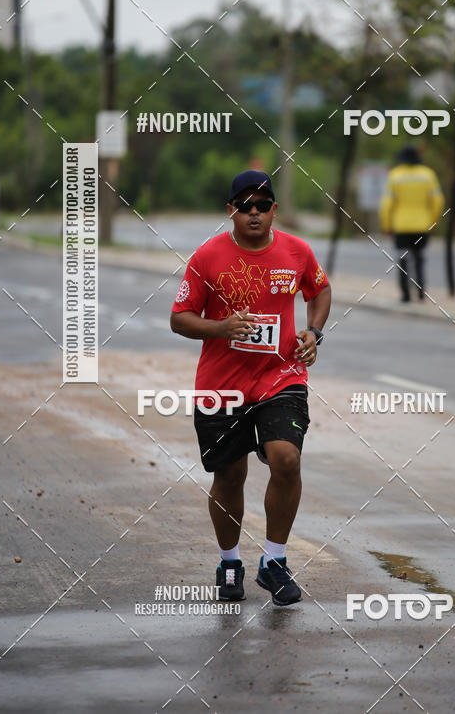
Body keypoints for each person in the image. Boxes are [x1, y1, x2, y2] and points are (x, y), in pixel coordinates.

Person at [170, 170, 331, 606]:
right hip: (222, 384)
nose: (254, 212)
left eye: (263, 204)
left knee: (286, 459)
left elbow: (319, 290)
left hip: (282, 378)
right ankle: (229, 563)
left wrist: (314, 333)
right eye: (245, 205)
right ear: (231, 211)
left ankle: (274, 562)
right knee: (230, 475)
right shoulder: (207, 258)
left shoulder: (297, 251)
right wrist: (221, 327)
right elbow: (179, 317)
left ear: (274, 209)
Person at [379, 145, 444, 302]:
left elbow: (387, 204)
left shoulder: (395, 176)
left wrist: (386, 225)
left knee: (403, 259)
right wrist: (434, 221)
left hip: (401, 226)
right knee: (419, 257)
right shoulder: (428, 175)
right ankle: (421, 292)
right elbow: (438, 200)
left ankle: (406, 295)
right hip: (423, 225)